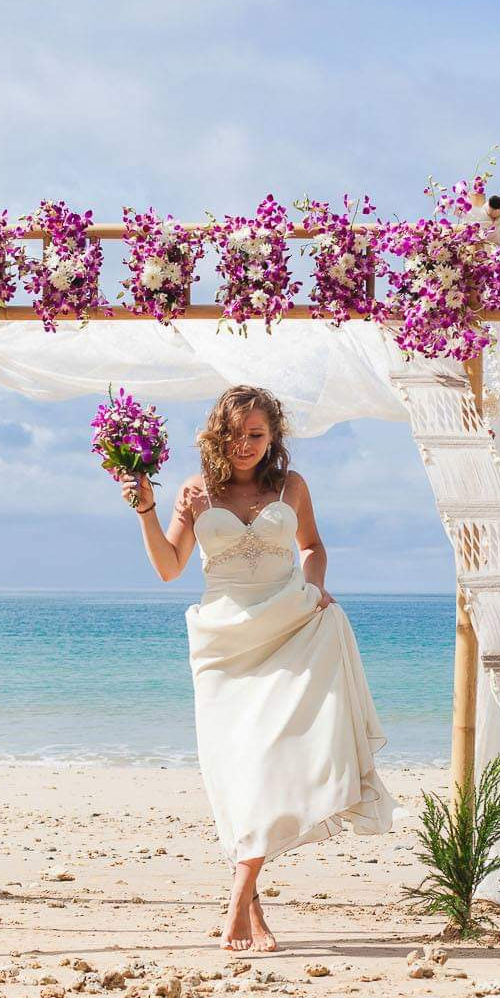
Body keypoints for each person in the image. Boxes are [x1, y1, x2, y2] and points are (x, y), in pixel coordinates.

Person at [121, 384, 395, 953]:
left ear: (273, 438)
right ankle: (256, 911)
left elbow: (313, 547)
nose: (244, 445)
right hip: (224, 646)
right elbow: (170, 568)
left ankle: (236, 901)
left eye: (256, 434)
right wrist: (149, 509)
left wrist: (314, 589)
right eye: (235, 433)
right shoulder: (196, 491)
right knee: (241, 774)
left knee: (275, 762)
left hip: (290, 628)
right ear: (216, 433)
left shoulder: (290, 487)